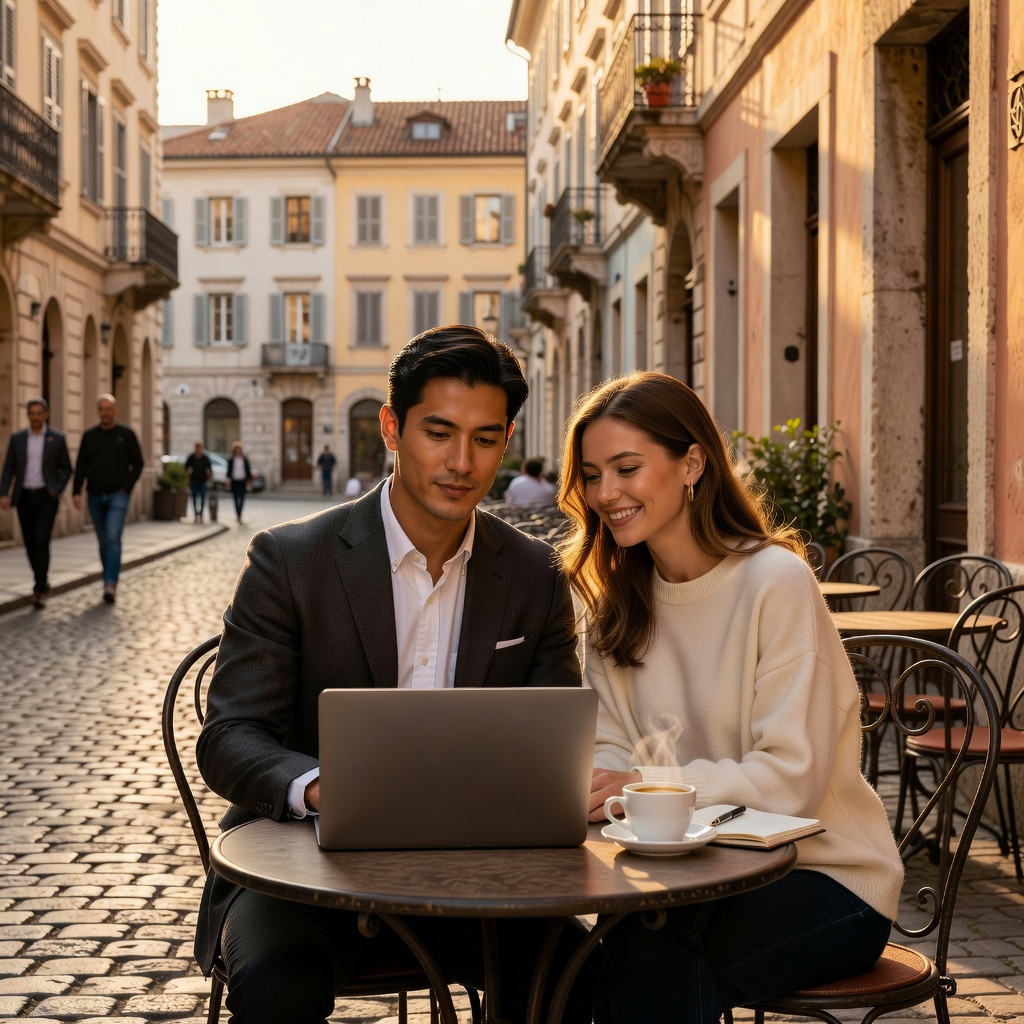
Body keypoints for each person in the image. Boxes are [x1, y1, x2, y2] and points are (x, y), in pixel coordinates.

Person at [195, 325, 593, 1024]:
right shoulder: (291, 561)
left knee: (584, 978)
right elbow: (230, 735)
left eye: (485, 438)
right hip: (301, 872)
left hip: (483, 879)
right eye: (438, 432)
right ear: (391, 427)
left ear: (505, 442)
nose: (460, 461)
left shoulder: (534, 575)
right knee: (276, 985)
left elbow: (553, 743)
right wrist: (320, 787)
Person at [557, 371, 903, 1024]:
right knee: (588, 961)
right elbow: (607, 749)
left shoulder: (775, 582)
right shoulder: (611, 606)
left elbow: (789, 779)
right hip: (680, 877)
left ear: (692, 463)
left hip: (827, 876)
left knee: (651, 956)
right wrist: (603, 786)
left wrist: (640, 784)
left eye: (626, 468)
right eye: (593, 474)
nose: (606, 493)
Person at [0, 398, 72, 608]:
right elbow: (8, 468)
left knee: (42, 539)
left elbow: (66, 468)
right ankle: (41, 581)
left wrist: (56, 490)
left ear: (46, 414)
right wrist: (4, 493)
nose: (35, 417)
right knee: (30, 542)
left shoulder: (57, 438)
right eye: (32, 413)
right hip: (24, 497)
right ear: (28, 415)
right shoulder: (18, 439)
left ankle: (39, 586)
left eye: (39, 413)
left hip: (46, 497)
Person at [72, 394, 144, 604]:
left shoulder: (126, 434)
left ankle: (110, 582)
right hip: (94, 496)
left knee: (112, 538)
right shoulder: (89, 436)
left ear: (115, 410)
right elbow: (81, 466)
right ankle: (108, 578)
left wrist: (126, 488)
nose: (105, 412)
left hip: (117, 496)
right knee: (103, 542)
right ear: (98, 411)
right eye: (101, 409)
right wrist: (76, 491)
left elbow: (137, 463)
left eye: (109, 408)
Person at [185, 442, 213, 523]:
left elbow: (209, 468)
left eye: (200, 448)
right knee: (193, 497)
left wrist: (208, 472)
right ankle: (195, 513)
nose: (199, 450)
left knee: (202, 497)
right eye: (198, 448)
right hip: (194, 480)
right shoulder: (192, 457)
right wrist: (188, 470)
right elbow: (186, 466)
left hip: (202, 481)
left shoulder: (205, 458)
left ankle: (200, 514)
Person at [227, 441, 252, 523]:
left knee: (241, 497)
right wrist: (228, 480)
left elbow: (248, 471)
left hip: (242, 481)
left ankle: (240, 513)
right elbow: (229, 471)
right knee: (235, 498)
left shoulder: (244, 459)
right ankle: (237, 513)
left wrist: (249, 481)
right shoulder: (231, 460)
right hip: (234, 481)